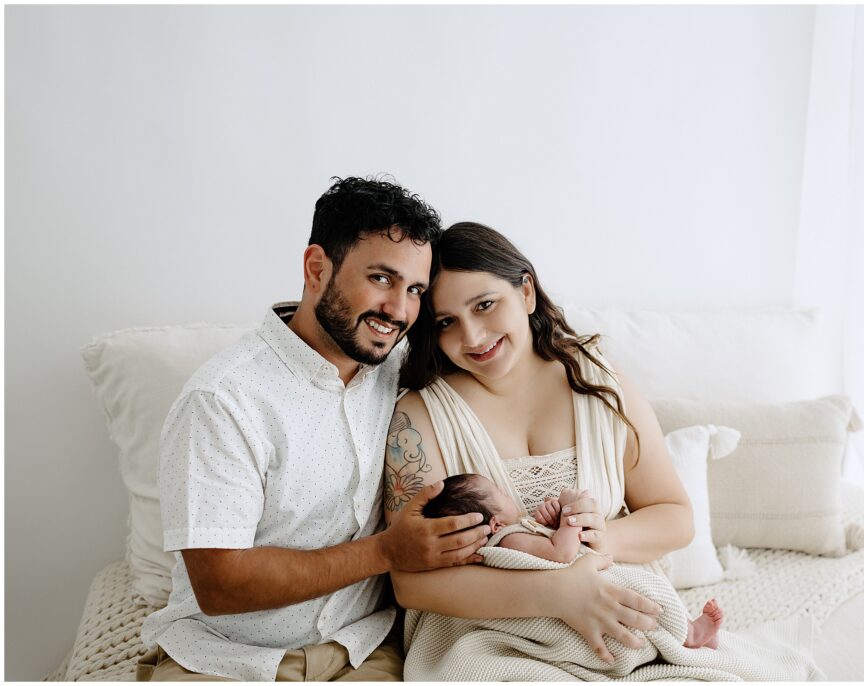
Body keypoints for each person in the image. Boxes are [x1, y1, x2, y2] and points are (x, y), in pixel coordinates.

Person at [136, 177, 493, 682]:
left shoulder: (399, 368)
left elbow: (503, 361)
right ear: (316, 268)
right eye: (381, 279)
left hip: (361, 650)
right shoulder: (222, 400)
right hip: (221, 660)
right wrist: (387, 551)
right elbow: (220, 585)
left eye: (414, 289)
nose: (399, 310)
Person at [383, 221, 696, 667]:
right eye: (447, 322)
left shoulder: (600, 386)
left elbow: (676, 517)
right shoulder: (419, 417)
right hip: (487, 640)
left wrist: (602, 538)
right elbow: (411, 581)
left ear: (526, 292)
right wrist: (557, 592)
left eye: (485, 305)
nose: (472, 337)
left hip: (617, 623)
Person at [423, 473, 724, 649]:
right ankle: (691, 633)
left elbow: (545, 550)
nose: (507, 493)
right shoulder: (509, 539)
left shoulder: (515, 535)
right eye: (499, 493)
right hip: (579, 589)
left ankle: (687, 632)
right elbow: (561, 554)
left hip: (578, 586)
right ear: (496, 525)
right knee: (646, 590)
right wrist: (570, 514)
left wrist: (550, 524)